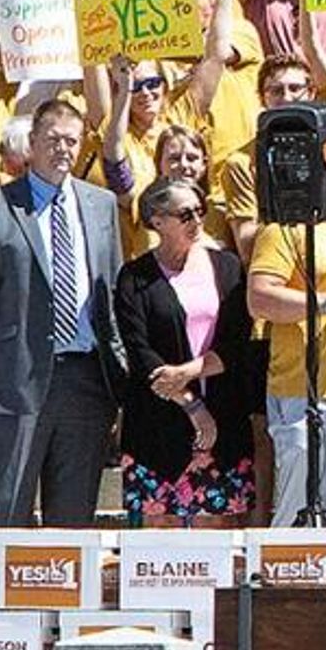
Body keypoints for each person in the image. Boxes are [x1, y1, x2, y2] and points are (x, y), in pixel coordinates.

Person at [0, 93, 126, 527]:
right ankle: (0, 597)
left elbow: (113, 299)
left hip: (87, 378)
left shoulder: (100, 205)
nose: (63, 149)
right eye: (53, 139)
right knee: (4, 507)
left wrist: (122, 382)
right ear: (32, 143)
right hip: (17, 378)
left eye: (72, 140)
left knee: (72, 518)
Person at [108, 176, 262, 527]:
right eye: (185, 214)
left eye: (200, 211)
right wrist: (192, 405)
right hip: (157, 425)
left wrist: (187, 372)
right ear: (157, 220)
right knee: (160, 534)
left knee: (218, 528)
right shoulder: (134, 278)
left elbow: (236, 343)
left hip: (224, 423)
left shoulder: (228, 268)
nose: (196, 221)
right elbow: (140, 351)